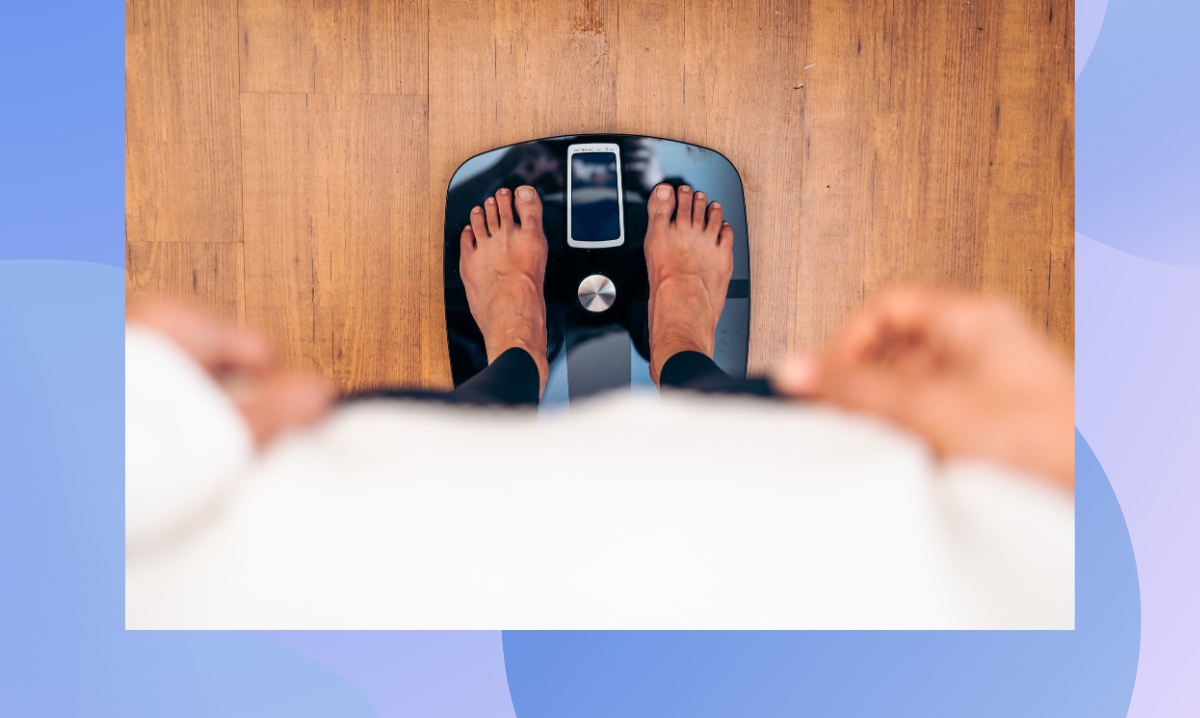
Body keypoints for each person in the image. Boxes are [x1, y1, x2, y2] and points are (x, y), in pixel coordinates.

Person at [126, 185, 1074, 629]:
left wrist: (137, 413)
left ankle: (514, 344)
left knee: (471, 423)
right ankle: (683, 340)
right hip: (867, 553)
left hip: (316, 553)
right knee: (727, 414)